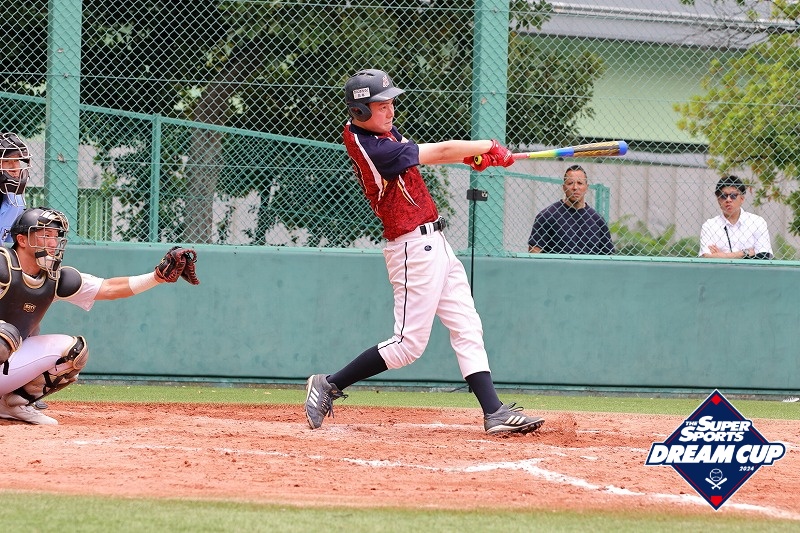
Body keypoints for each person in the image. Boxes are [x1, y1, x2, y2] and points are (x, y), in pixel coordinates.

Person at [303, 68, 544, 435]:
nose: (390, 110)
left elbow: (429, 156)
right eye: (381, 106)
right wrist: (488, 147)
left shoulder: (382, 134)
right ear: (360, 111)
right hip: (411, 248)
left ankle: (493, 411)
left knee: (466, 324)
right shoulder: (374, 147)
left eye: (390, 103)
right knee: (407, 346)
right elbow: (441, 150)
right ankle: (329, 384)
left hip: (436, 243)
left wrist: (471, 158)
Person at [0, 207, 199, 425]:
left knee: (74, 352)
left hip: (8, 360)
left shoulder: (55, 278)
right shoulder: (3, 265)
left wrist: (157, 277)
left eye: (56, 236)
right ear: (22, 239)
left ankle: (12, 404)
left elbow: (109, 288)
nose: (53, 242)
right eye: (45, 235)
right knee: (4, 334)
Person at [527, 164, 614, 254]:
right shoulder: (547, 216)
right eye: (570, 183)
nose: (575, 187)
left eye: (580, 183)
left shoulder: (597, 220)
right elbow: (534, 254)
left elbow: (607, 256)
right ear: (564, 187)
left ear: (586, 187)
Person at [699, 175, 773, 259]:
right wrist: (744, 253)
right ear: (718, 199)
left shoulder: (757, 222)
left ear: (742, 199)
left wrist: (721, 256)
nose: (728, 200)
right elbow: (707, 256)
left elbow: (763, 256)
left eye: (733, 195)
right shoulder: (709, 225)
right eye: (723, 196)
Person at [0, 132, 29, 243]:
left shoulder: (16, 200)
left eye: (16, 160)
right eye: (6, 161)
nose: (15, 168)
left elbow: (8, 245)